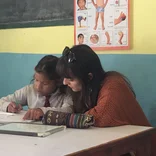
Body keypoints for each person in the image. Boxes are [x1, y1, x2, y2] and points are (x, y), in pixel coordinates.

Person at [56, 44, 156, 156]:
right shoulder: (84, 88)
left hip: (140, 150)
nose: (65, 82)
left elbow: (100, 117)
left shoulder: (113, 85)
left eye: (70, 79)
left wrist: (61, 118)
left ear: (89, 77)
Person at [0, 55, 73, 120]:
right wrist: (7, 106)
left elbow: (68, 110)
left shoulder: (66, 93)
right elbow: (2, 101)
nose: (38, 87)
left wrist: (43, 111)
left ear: (58, 82)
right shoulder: (29, 90)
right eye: (36, 80)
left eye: (45, 83)